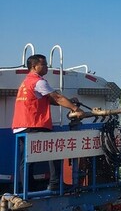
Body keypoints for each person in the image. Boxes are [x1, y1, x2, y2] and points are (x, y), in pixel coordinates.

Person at [12, 54, 84, 191]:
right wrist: (75, 108)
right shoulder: (38, 81)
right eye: (43, 65)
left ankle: (27, 188)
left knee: (27, 160)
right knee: (55, 148)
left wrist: (69, 102)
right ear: (34, 67)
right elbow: (56, 97)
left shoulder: (26, 82)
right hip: (34, 124)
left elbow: (48, 100)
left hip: (21, 126)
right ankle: (55, 183)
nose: (47, 67)